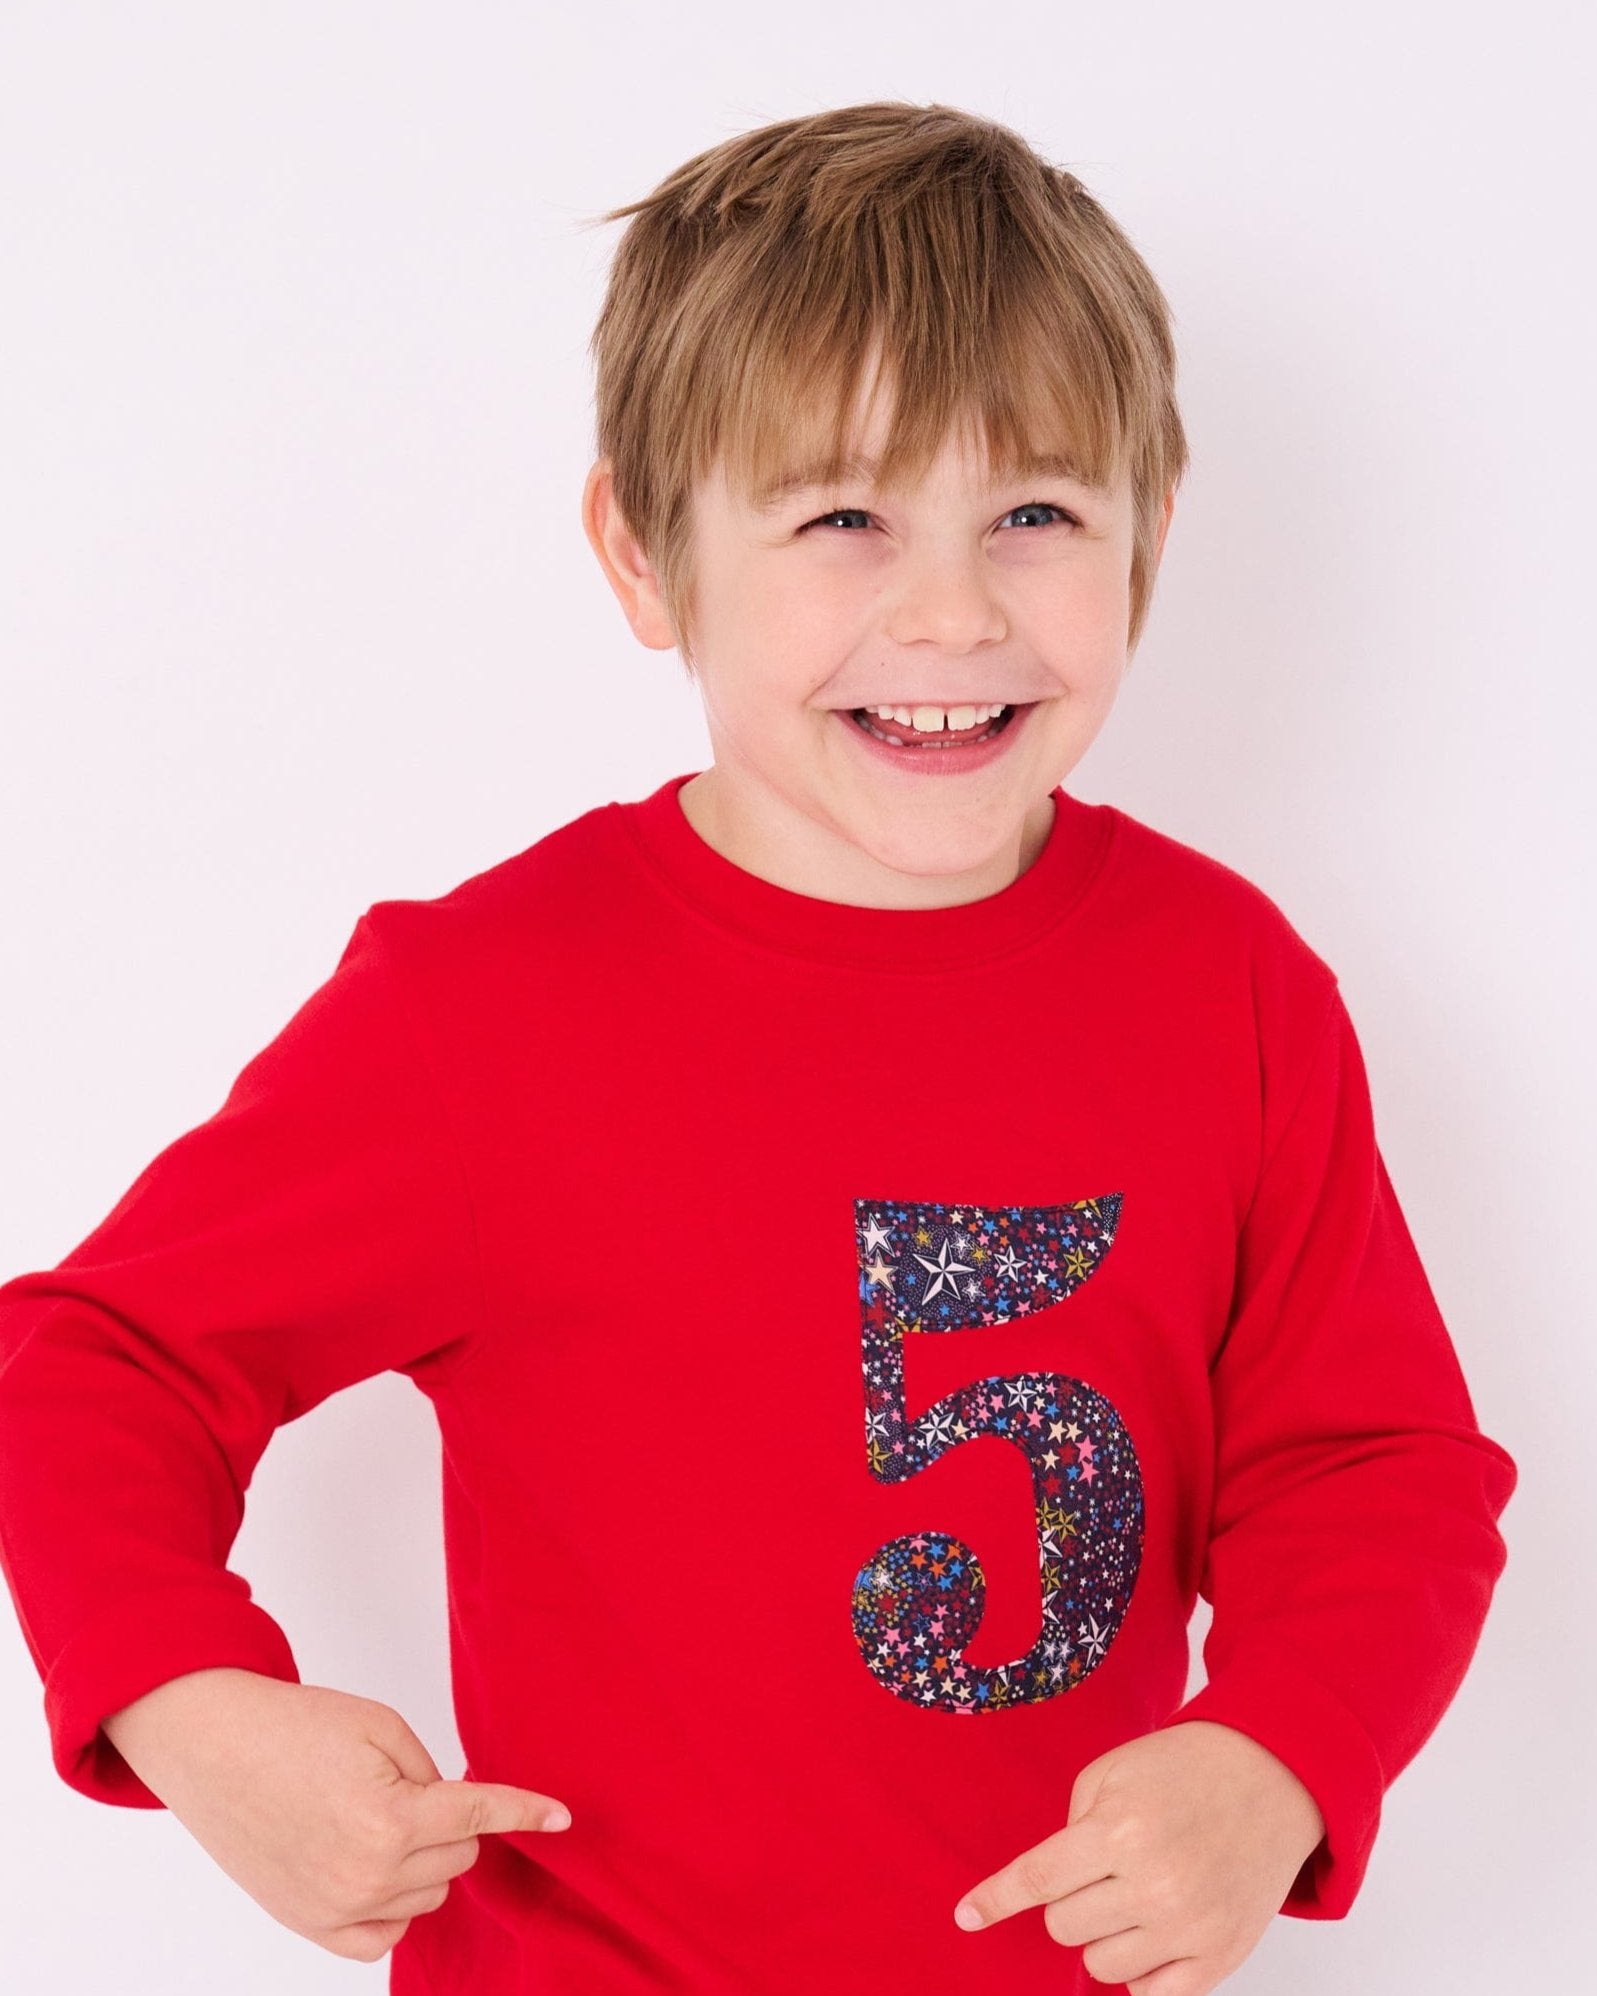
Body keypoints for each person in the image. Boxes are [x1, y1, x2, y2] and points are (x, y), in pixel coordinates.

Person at [0, 100, 1518, 1996]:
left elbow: (1371, 1463)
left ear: (1149, 539)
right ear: (643, 557)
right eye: (843, 519)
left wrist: (1278, 1754)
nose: (953, 610)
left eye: (1035, 514)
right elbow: (96, 1359)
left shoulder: (1228, 983)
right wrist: (190, 1699)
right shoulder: (483, 1012)